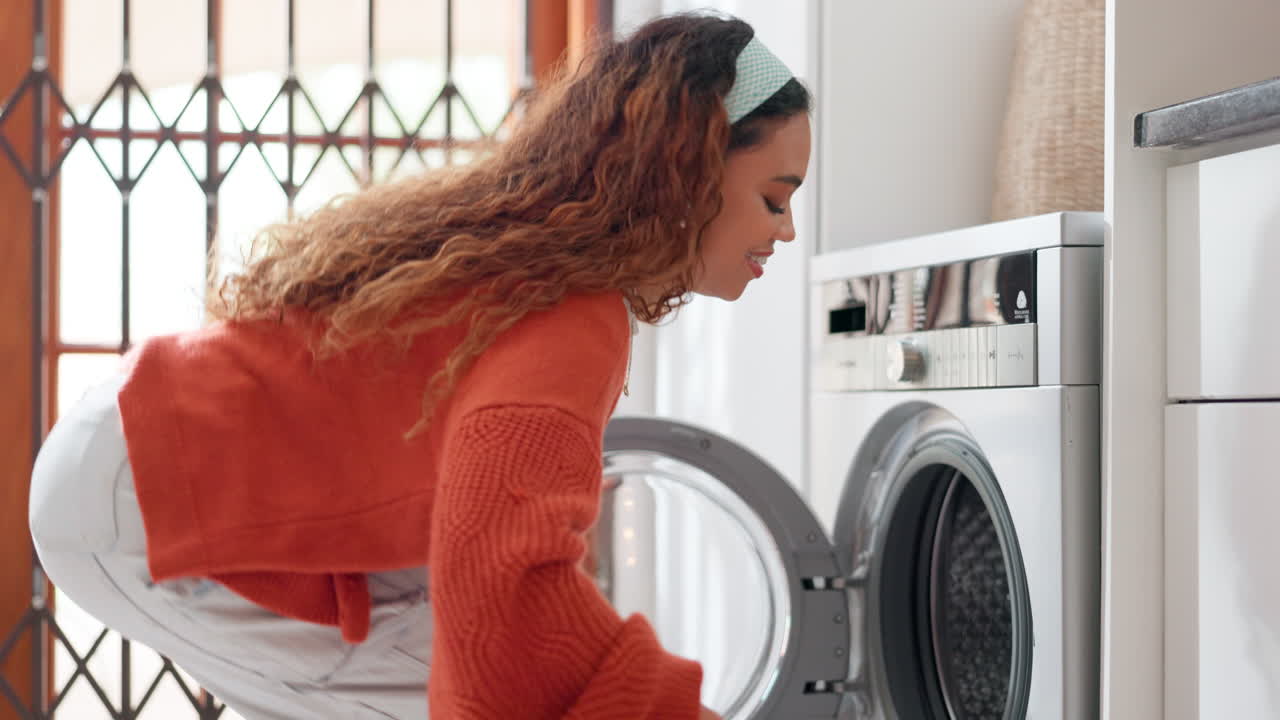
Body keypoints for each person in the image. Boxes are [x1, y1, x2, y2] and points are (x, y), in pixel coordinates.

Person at [28, 11, 811, 720]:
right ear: (692, 171)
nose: (786, 231)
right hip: (142, 494)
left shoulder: (531, 268)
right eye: (774, 200)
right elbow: (506, 581)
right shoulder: (577, 314)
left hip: (128, 454)